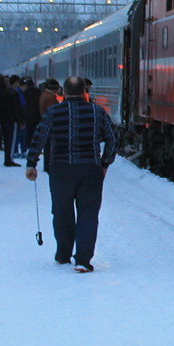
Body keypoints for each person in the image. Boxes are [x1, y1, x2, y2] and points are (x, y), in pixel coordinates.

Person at [26, 75, 119, 272]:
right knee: (88, 214)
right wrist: (105, 163)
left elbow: (39, 138)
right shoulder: (98, 112)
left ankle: (63, 254)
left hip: (61, 170)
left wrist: (31, 164)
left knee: (62, 212)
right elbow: (112, 139)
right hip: (90, 169)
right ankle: (83, 260)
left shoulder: (54, 112)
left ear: (64, 92)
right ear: (85, 91)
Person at [0, 75, 23, 167]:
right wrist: (20, 120)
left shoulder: (3, 91)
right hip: (12, 119)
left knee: (7, 140)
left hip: (4, 118)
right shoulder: (13, 93)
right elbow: (16, 108)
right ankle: (9, 159)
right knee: (11, 140)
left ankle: (8, 157)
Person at [19, 77, 42, 155]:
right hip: (36, 115)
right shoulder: (38, 92)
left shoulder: (25, 93)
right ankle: (35, 146)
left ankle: (28, 146)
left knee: (27, 132)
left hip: (27, 115)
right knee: (35, 132)